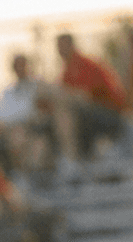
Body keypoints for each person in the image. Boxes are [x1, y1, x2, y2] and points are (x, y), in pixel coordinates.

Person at [54, 33, 128, 166]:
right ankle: (72, 159)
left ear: (71, 45)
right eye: (58, 47)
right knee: (61, 112)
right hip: (90, 115)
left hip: (110, 113)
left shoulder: (87, 65)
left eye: (63, 46)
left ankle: (72, 160)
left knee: (66, 110)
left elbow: (86, 97)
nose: (60, 50)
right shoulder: (66, 72)